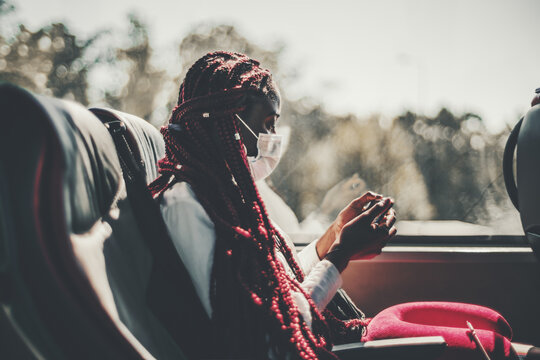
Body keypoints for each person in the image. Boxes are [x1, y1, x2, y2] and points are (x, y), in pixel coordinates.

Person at [149, 51, 396, 359]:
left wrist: (333, 237)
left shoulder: (230, 197)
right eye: (266, 124)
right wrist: (339, 256)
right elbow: (267, 338)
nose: (272, 138)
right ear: (223, 125)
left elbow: (283, 283)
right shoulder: (187, 206)